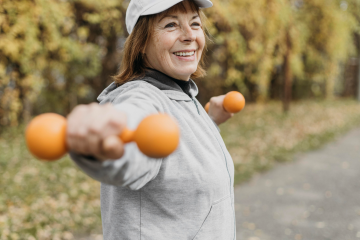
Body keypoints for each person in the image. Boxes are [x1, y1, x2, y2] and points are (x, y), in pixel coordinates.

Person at [67, 0, 236, 239]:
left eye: (195, 23)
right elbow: (133, 140)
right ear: (141, 43)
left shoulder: (180, 94)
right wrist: (104, 148)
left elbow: (178, 156)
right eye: (170, 25)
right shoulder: (141, 98)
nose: (189, 35)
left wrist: (209, 123)